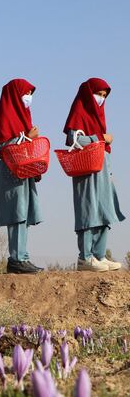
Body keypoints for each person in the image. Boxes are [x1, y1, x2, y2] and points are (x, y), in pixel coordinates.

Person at [63, 78, 124, 271]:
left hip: (102, 169)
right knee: (88, 210)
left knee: (106, 209)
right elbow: (74, 139)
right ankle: (85, 257)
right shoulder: (79, 112)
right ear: (89, 94)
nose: (101, 99)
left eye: (104, 96)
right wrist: (100, 138)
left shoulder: (99, 117)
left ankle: (99, 254)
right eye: (98, 94)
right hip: (86, 168)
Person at [0, 79, 45, 274]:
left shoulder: (24, 118)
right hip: (10, 172)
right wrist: (27, 138)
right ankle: (16, 259)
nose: (29, 97)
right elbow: (2, 145)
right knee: (16, 214)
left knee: (23, 215)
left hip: (23, 172)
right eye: (26, 93)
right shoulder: (7, 116)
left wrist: (35, 167)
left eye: (31, 93)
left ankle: (22, 257)